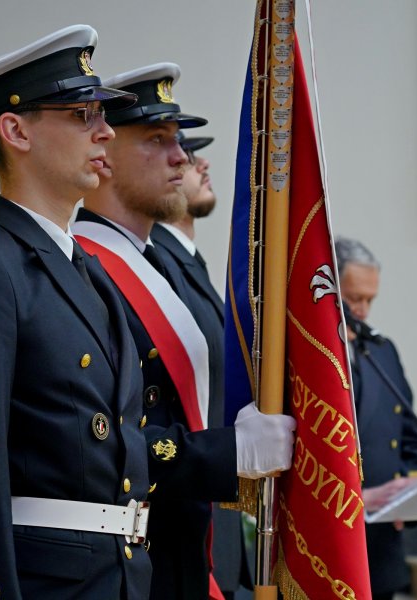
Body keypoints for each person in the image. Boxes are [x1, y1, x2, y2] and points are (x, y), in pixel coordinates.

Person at [0, 26, 153, 600]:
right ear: (15, 130)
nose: (105, 133)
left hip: (118, 577)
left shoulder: (87, 269)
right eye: (81, 115)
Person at [71, 63, 296, 600]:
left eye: (179, 141)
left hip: (185, 547)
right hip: (132, 559)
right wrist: (228, 452)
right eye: (156, 140)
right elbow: (98, 442)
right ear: (103, 152)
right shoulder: (85, 270)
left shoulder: (156, 266)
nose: (182, 157)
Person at [151, 134, 251, 599]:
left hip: (214, 525)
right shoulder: (153, 266)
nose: (199, 163)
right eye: (183, 154)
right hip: (181, 531)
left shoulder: (187, 263)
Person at [335, 237, 417, 600]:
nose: (363, 311)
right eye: (355, 298)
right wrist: (360, 497)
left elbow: (410, 438)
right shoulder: (307, 356)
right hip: (334, 535)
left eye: (370, 300)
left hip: (382, 544)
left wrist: (412, 492)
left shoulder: (382, 350)